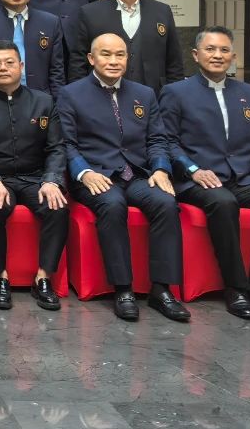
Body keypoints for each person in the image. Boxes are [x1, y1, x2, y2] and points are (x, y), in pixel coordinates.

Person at [161, 26, 250, 320]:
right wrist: (193, 170)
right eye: (210, 49)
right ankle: (235, 287)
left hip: (243, 178)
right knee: (223, 202)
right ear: (196, 54)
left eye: (224, 50)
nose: (217, 55)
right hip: (198, 180)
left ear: (233, 56)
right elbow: (167, 141)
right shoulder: (176, 93)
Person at [57, 33, 189, 322]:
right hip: (96, 175)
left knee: (166, 203)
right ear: (91, 59)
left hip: (138, 174)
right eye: (106, 54)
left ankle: (162, 289)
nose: (113, 61)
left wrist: (160, 169)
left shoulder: (145, 94)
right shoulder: (71, 94)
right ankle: (123, 289)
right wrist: (84, 172)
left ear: (128, 59)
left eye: (120, 55)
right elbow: (66, 143)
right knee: (112, 204)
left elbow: (157, 139)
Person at [0, 40, 68, 311]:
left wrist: (51, 179)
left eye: (9, 62)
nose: (3, 68)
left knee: (57, 207)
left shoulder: (44, 102)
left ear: (21, 66)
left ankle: (43, 278)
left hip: (35, 177)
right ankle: (0, 278)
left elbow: (56, 147)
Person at [72, 0, 183, 93]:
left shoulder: (162, 11)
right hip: (102, 95)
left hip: (155, 95)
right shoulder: (90, 13)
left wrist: (174, 98)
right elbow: (78, 62)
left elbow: (174, 62)